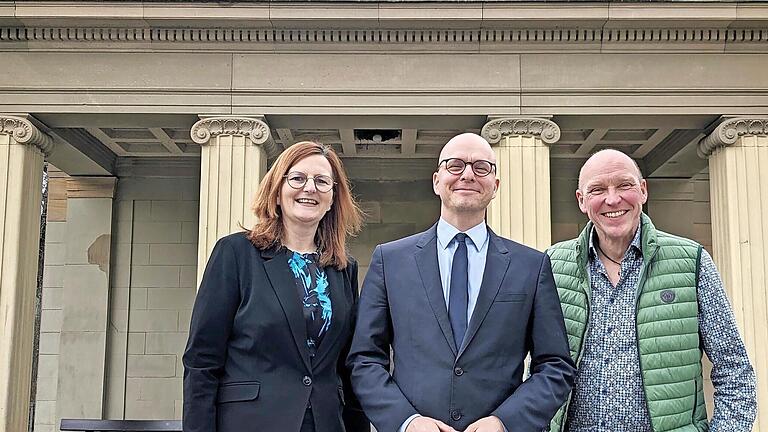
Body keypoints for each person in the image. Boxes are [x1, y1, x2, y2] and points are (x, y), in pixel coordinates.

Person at [347, 132, 576, 432]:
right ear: (436, 180)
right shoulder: (390, 261)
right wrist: (407, 422)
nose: (468, 174)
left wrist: (505, 422)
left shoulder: (531, 266)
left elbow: (555, 366)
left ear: (495, 186)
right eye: (455, 165)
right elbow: (364, 359)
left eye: (481, 167)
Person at [547, 149, 757, 432]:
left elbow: (734, 370)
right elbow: (533, 368)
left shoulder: (691, 261)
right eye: (597, 189)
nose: (612, 199)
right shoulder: (551, 265)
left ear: (643, 190)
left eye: (624, 185)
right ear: (582, 201)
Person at [182, 141, 368, 432]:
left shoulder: (344, 268)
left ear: (333, 198)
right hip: (251, 422)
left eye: (322, 181)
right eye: (297, 178)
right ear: (277, 192)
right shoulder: (235, 253)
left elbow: (347, 366)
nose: (310, 188)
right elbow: (201, 360)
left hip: (326, 423)